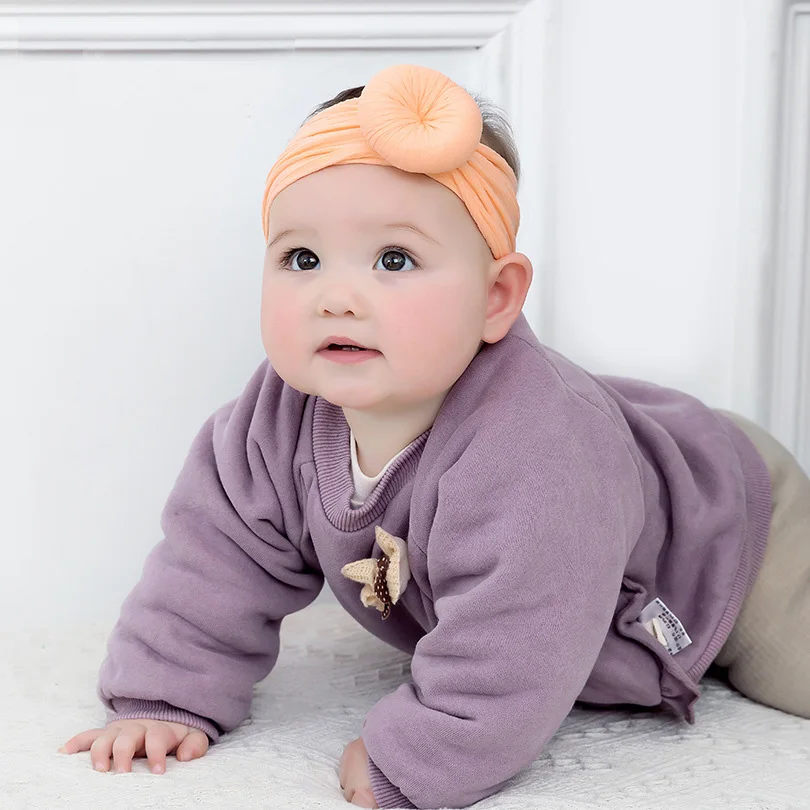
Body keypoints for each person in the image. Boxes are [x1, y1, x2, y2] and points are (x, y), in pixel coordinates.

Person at [58, 63, 810, 810]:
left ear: (496, 298)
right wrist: (165, 694)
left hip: (733, 531)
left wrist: (425, 754)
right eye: (301, 258)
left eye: (394, 259)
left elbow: (519, 639)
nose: (336, 297)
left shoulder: (537, 450)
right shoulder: (274, 419)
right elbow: (214, 559)